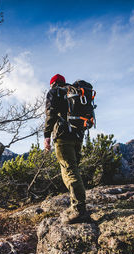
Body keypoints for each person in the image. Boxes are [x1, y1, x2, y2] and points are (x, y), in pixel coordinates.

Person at [44, 74, 88, 224]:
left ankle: (79, 210)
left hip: (63, 136)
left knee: (69, 171)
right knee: (74, 169)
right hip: (78, 136)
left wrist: (46, 135)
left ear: (53, 83)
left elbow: (50, 114)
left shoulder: (54, 92)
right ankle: (76, 205)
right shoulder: (72, 90)